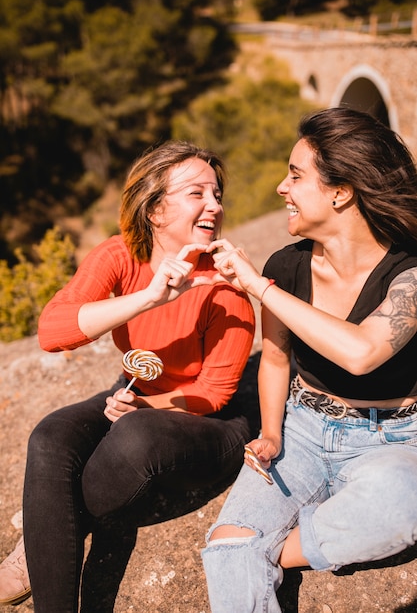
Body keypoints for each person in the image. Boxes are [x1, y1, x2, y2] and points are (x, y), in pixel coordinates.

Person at [0, 141, 256, 612]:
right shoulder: (119, 255)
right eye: (197, 193)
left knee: (131, 437)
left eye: (217, 194)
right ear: (155, 209)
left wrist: (146, 407)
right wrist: (149, 298)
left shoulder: (225, 289)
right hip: (136, 393)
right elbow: (52, 331)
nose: (214, 206)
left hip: (210, 423)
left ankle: (40, 546)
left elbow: (214, 393)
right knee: (50, 436)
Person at [201, 107, 417, 612]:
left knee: (400, 504)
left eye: (296, 175)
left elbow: (363, 352)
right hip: (303, 431)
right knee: (229, 543)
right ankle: (254, 547)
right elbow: (275, 360)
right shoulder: (288, 265)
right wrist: (273, 432)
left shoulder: (410, 272)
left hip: (395, 439)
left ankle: (274, 548)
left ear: (341, 192)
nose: (282, 187)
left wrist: (257, 286)